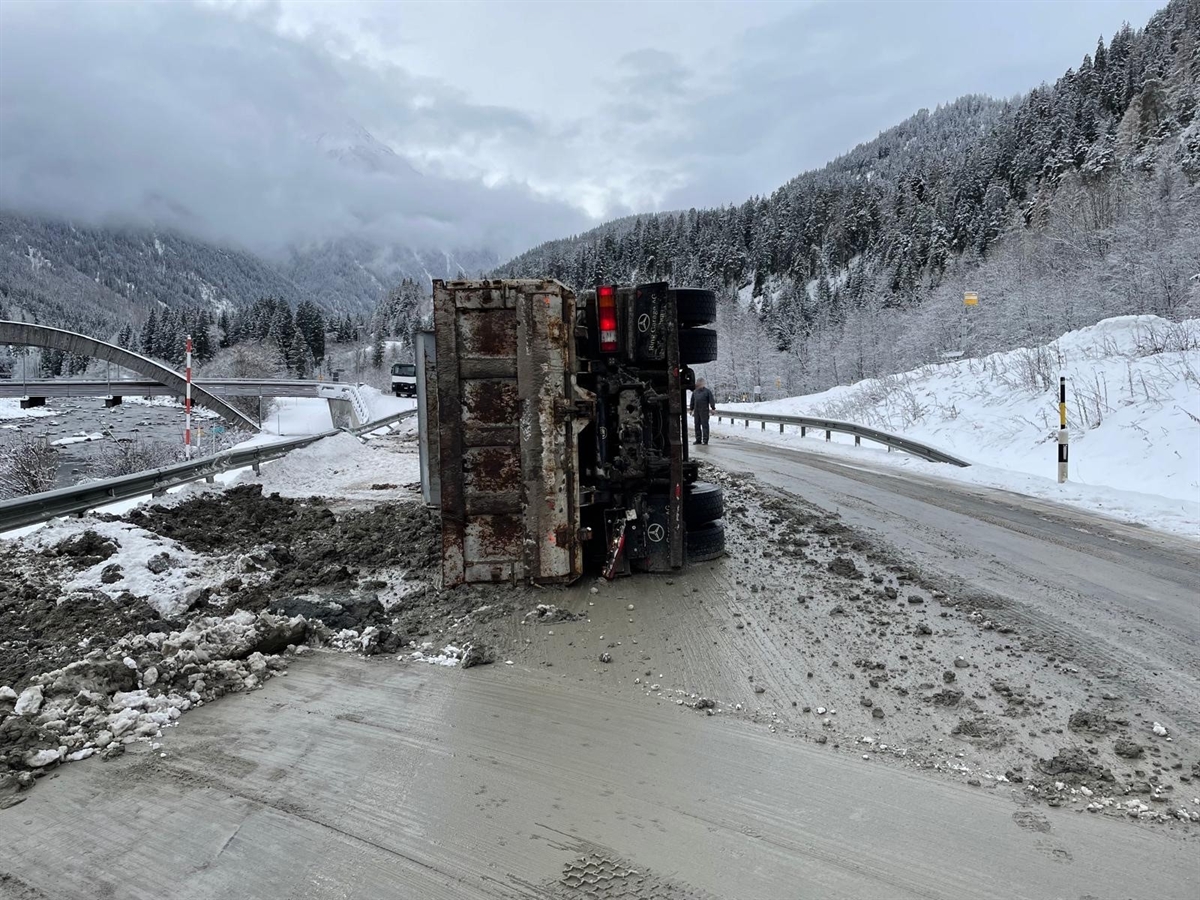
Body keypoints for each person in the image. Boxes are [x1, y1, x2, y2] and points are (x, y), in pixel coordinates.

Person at [689, 378, 716, 445]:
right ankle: (698, 439)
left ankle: (705, 440)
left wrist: (713, 408)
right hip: (696, 411)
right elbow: (692, 401)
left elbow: (711, 400)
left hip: (704, 411)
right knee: (697, 425)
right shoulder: (695, 392)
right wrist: (691, 409)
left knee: (705, 426)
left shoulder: (707, 392)